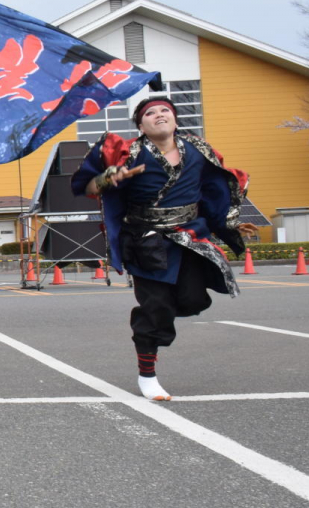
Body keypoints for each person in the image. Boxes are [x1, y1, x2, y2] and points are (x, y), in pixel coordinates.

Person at [71, 96, 255, 401]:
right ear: (141, 126)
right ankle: (148, 375)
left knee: (194, 301)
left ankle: (163, 314)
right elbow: (87, 187)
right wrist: (108, 178)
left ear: (175, 120)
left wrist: (229, 223)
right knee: (156, 308)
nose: (159, 115)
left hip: (189, 237)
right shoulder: (129, 153)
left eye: (165, 111)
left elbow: (217, 186)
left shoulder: (198, 149)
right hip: (145, 240)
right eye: (150, 113)